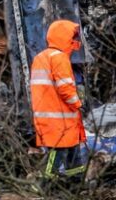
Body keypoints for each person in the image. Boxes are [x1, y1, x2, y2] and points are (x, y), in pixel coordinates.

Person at [30, 20, 86, 185]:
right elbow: (65, 89)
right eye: (72, 37)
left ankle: (73, 183)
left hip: (49, 117)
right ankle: (45, 186)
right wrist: (79, 104)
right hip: (61, 119)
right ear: (64, 37)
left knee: (68, 152)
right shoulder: (60, 58)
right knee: (60, 153)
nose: (74, 41)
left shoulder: (41, 57)